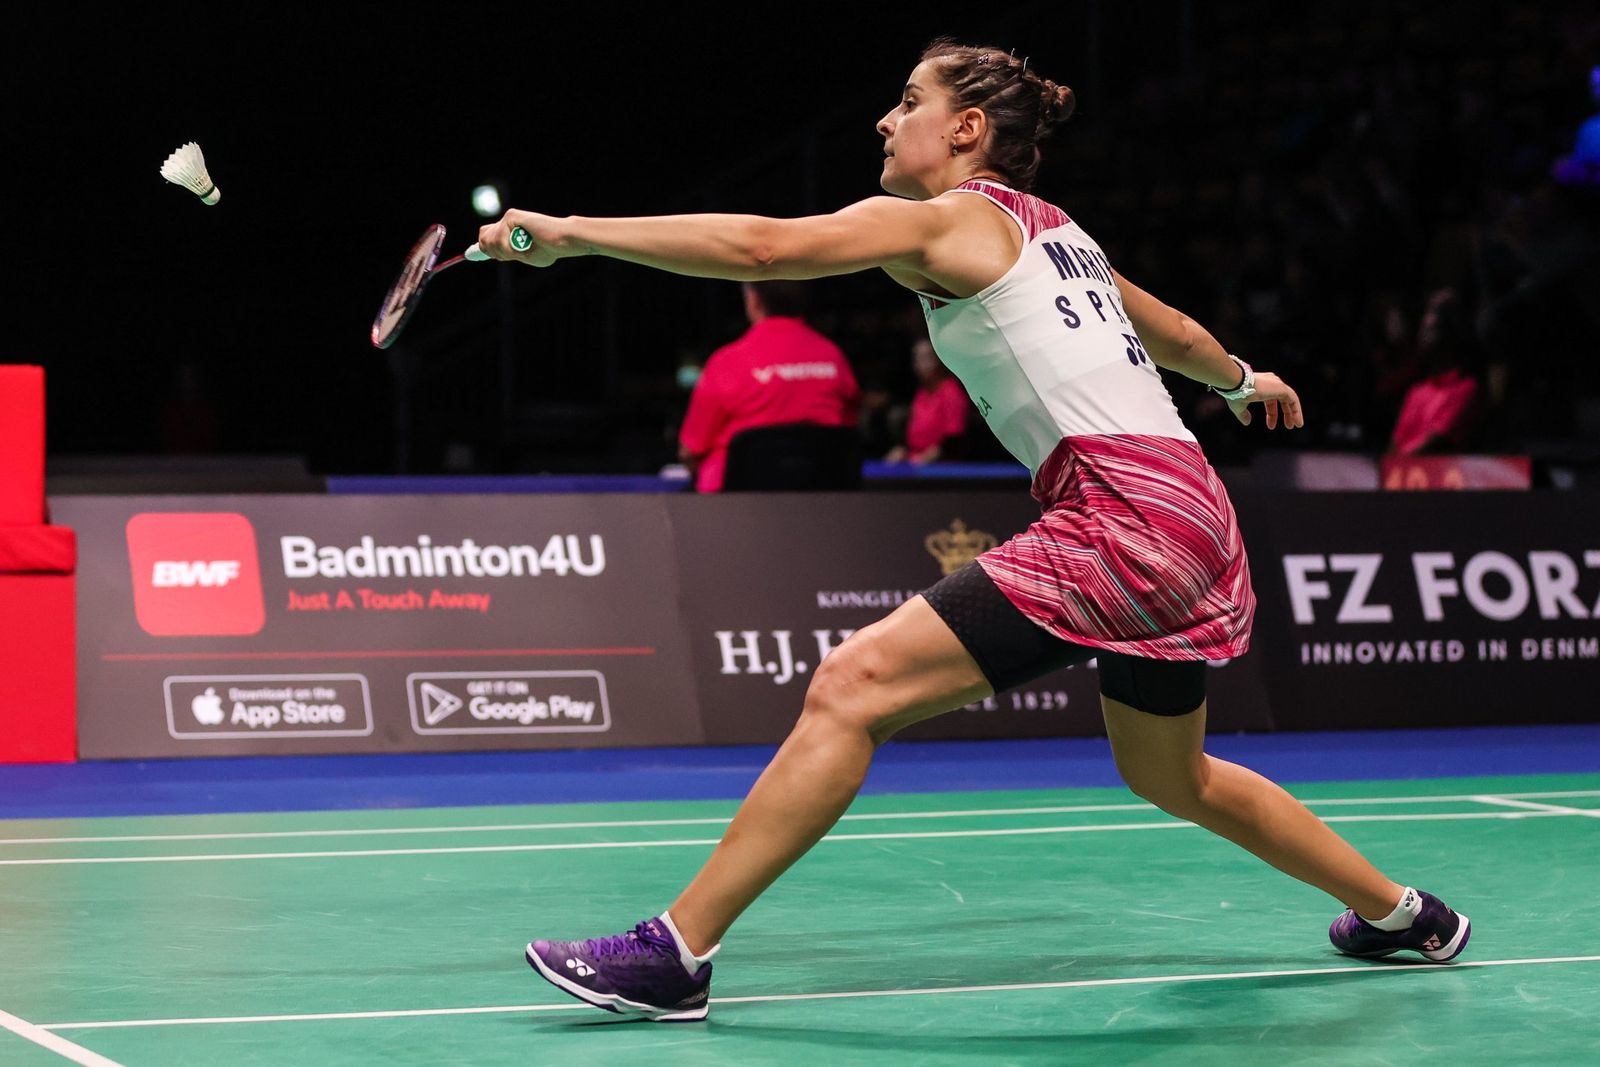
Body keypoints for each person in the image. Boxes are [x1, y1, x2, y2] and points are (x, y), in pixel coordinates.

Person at [478, 39, 1470, 1021]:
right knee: (1173, 773)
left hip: (1120, 510)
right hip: (1193, 505)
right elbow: (1170, 330)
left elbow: (764, 249)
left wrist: (571, 233)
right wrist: (1244, 380)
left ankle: (675, 952)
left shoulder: (946, 220)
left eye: (909, 101)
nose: (885, 119)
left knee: (852, 686)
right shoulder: (1059, 232)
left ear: (967, 129)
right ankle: (1405, 913)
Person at [676, 280, 860, 492]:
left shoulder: (726, 362)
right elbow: (850, 429)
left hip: (733, 505)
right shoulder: (833, 356)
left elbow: (689, 451)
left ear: (753, 299)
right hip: (826, 500)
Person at [884, 337, 970, 464]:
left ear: (938, 360)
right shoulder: (920, 393)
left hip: (942, 466)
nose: (920, 364)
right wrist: (903, 452)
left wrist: (928, 457)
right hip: (915, 461)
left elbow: (954, 439)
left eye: (925, 358)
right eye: (916, 358)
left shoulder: (951, 392)